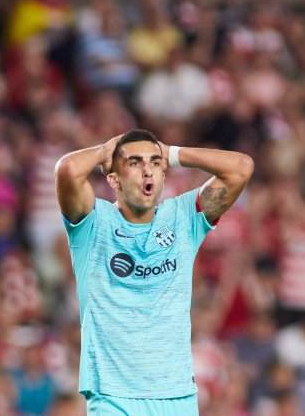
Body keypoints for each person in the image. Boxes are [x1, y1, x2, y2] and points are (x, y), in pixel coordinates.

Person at [54, 128, 254, 415]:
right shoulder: (93, 222)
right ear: (114, 179)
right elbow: (68, 169)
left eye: (154, 163)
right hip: (113, 396)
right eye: (134, 163)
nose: (147, 170)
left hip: (177, 396)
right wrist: (104, 151)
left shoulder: (183, 218)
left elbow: (241, 168)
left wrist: (171, 153)